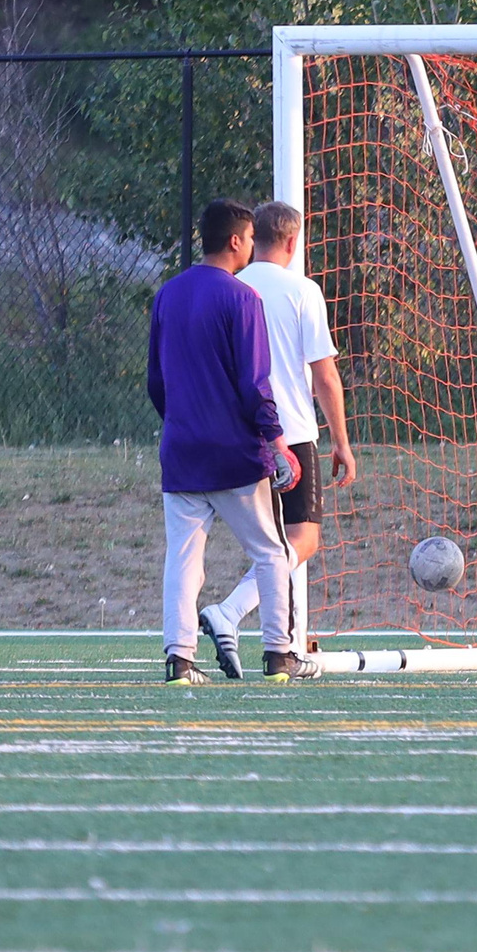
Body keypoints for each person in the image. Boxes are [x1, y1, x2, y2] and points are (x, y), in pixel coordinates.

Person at [148, 198, 314, 685]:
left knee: (183, 560)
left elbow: (156, 383)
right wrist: (277, 442)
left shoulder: (167, 295)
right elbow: (254, 384)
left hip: (181, 453)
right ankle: (279, 655)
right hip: (235, 457)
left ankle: (179, 661)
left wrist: (182, 422)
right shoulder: (243, 299)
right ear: (236, 241)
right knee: (271, 551)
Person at [199, 199, 356, 675]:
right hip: (290, 432)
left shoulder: (231, 286)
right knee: (301, 541)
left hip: (237, 433)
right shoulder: (302, 291)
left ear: (253, 238)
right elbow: (325, 376)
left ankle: (278, 651)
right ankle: (230, 612)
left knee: (271, 546)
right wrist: (342, 442)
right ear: (293, 241)